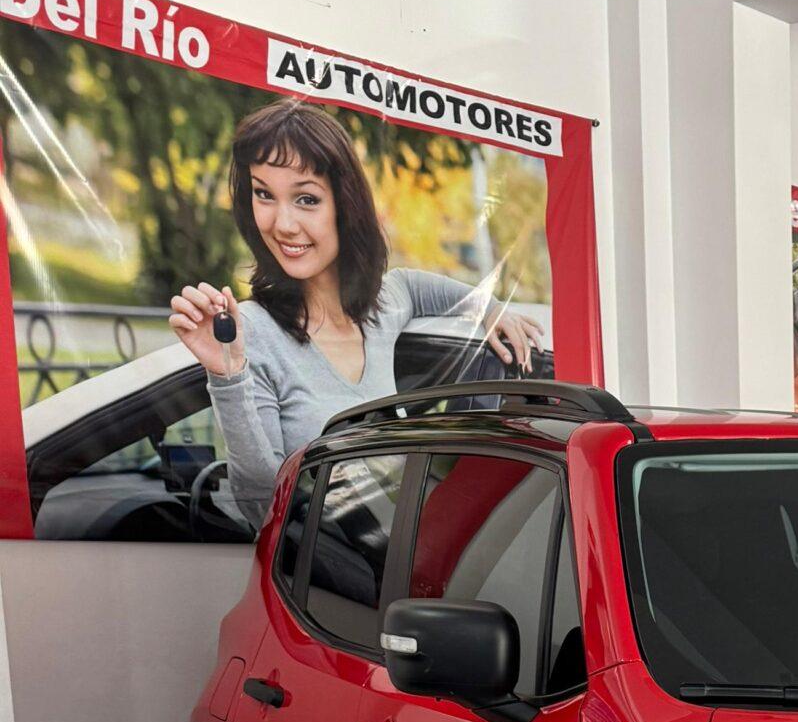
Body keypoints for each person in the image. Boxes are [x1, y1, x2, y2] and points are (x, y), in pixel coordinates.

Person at [169, 99, 543, 529]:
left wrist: (490, 308)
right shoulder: (250, 332)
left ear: (344, 205)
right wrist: (228, 374)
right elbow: (262, 510)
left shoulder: (382, 306)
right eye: (264, 194)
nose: (283, 223)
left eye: (306, 199)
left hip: (416, 567)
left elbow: (416, 286)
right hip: (327, 585)